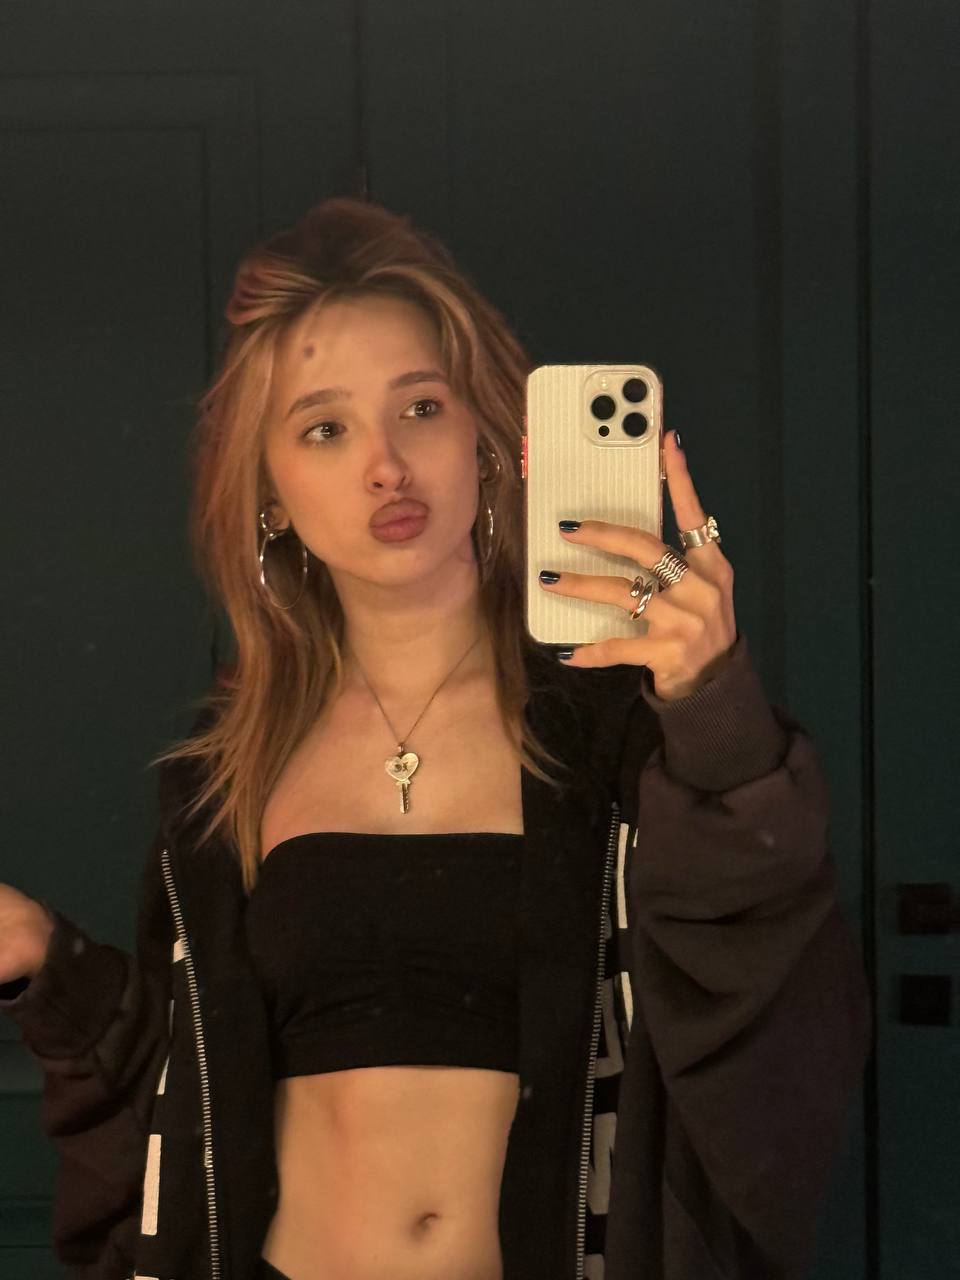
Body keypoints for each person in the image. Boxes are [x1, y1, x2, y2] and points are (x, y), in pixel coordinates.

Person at [0, 197, 871, 1280]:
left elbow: (769, 999)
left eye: (420, 407)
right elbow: (183, 1116)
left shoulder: (617, 730)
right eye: (325, 428)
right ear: (271, 493)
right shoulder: (223, 774)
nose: (385, 464)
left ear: (484, 439)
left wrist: (712, 699)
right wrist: (43, 960)